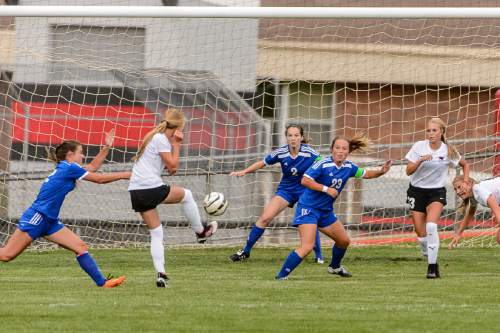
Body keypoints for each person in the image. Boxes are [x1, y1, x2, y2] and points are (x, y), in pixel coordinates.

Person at [0, 129, 130, 288]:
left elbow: (92, 167)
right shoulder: (69, 167)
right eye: (80, 152)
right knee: (6, 255)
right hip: (37, 217)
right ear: (70, 154)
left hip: (50, 221)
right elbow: (100, 179)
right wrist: (126, 174)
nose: (82, 156)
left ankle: (103, 283)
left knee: (80, 247)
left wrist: (106, 147)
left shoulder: (68, 168)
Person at [275, 133, 392, 280]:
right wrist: (326, 189)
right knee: (307, 247)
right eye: (337, 148)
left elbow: (367, 174)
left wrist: (381, 171)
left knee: (344, 241)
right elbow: (305, 180)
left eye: (344, 148)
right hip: (308, 208)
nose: (340, 151)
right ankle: (281, 276)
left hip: (325, 211)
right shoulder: (323, 164)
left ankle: (334, 267)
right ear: (332, 149)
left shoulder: (349, 167)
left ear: (348, 152)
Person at [128, 108, 217, 288]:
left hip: (136, 191)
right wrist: (177, 144)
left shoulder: (156, 136)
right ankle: (200, 232)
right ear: (178, 127)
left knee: (157, 233)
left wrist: (173, 144)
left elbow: (169, 167)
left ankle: (161, 274)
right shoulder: (161, 139)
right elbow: (173, 167)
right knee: (188, 195)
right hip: (150, 187)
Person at [229, 124, 325, 264]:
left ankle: (319, 256)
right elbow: (262, 163)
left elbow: (323, 163)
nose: (293, 138)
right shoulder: (281, 152)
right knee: (265, 218)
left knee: (308, 220)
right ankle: (246, 251)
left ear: (301, 137)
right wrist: (244, 171)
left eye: (296, 135)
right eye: (290, 135)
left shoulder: (310, 152)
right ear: (286, 137)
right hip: (286, 190)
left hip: (305, 190)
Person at [405, 117, 469, 278]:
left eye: (434, 130)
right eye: (428, 130)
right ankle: (428, 252)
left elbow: (465, 165)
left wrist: (466, 182)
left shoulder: (448, 150)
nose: (431, 133)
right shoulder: (419, 146)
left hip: (436, 193)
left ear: (441, 132)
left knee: (431, 227)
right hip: (416, 192)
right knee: (421, 235)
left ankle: (432, 268)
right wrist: (420, 160)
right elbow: (408, 171)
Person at [449, 175, 500, 247]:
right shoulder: (473, 195)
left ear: (469, 184)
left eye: (459, 187)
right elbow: (469, 214)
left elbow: (496, 208)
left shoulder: (478, 190)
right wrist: (459, 234)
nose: (457, 191)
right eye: (455, 189)